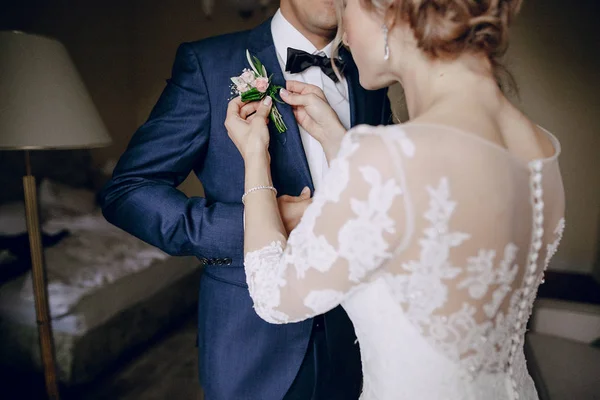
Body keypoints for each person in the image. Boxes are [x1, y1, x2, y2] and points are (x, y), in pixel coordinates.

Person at [224, 0, 566, 398]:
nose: (342, 33)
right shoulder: (540, 146)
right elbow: (428, 234)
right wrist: (342, 144)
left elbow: (274, 296)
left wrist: (255, 158)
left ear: (388, 10)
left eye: (346, 4)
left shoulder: (384, 157)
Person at [99, 0, 392, 399]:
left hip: (360, 334)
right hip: (252, 342)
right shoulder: (209, 65)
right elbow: (128, 191)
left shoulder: (369, 72)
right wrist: (265, 223)